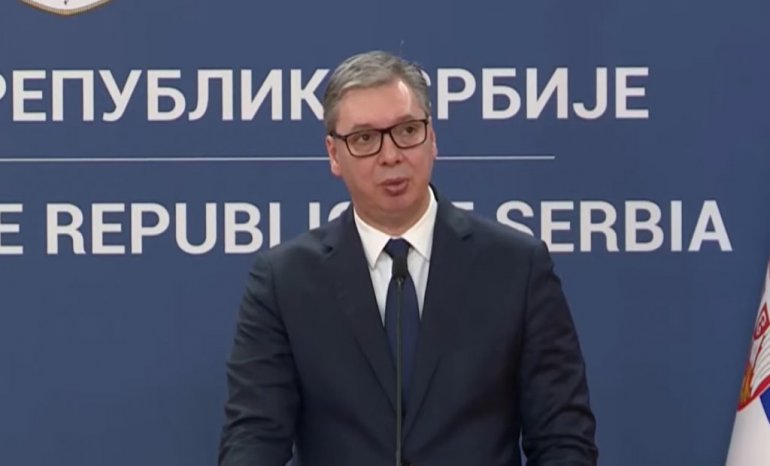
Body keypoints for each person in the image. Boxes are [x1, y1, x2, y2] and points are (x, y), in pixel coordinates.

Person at [218, 50, 597, 466]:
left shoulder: (516, 267)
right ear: (334, 155)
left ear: (432, 138)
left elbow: (563, 439)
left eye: (407, 130)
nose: (391, 155)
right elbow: (254, 435)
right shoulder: (285, 281)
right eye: (365, 139)